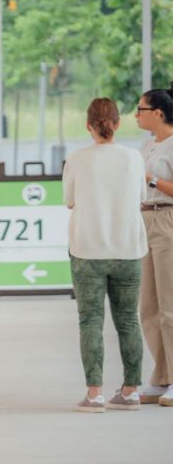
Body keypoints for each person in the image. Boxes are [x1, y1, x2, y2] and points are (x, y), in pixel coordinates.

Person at [65, 98, 146, 410]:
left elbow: (69, 201)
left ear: (89, 125)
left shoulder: (77, 159)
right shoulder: (134, 158)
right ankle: (131, 391)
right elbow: (141, 196)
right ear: (118, 123)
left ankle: (95, 393)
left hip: (87, 248)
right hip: (128, 248)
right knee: (128, 319)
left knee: (90, 320)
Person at [134, 89, 173, 404]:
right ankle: (161, 376)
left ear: (158, 113)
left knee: (169, 306)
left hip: (167, 219)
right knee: (148, 306)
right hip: (144, 219)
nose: (136, 115)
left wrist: (149, 180)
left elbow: (155, 183)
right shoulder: (147, 145)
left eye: (140, 109)